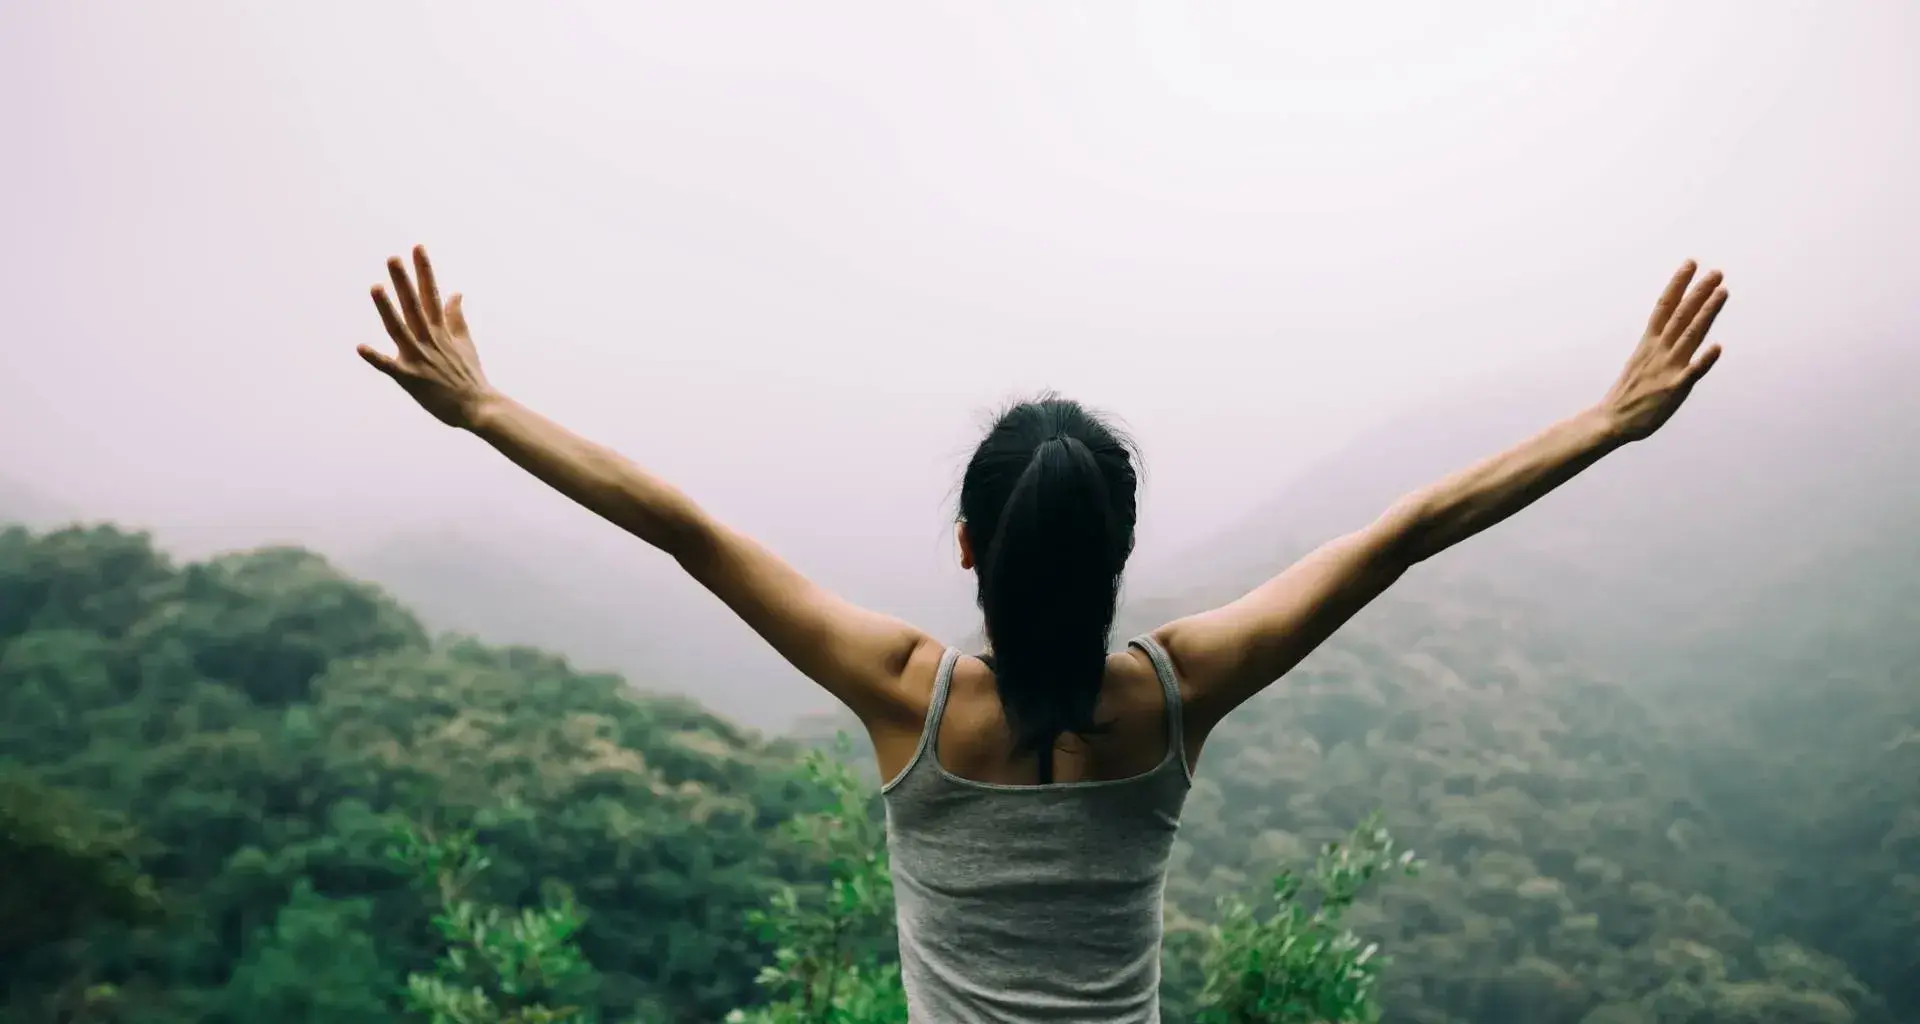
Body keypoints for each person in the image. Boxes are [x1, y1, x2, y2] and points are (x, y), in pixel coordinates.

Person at [358, 247, 1728, 1022]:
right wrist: (1605, 422)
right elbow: (1410, 528)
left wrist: (485, 407)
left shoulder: (909, 696)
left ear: (969, 545)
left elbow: (685, 530)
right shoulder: (1176, 699)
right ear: (1122, 557)